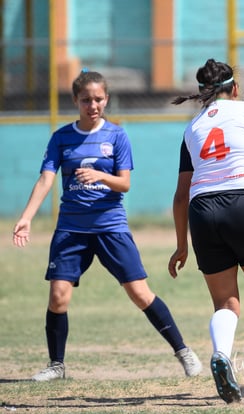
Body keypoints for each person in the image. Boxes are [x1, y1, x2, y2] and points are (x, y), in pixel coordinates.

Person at [12, 69, 202, 382]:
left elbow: (125, 184)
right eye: (86, 99)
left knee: (140, 294)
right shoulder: (61, 137)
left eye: (98, 99)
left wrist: (101, 176)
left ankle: (183, 351)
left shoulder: (116, 135)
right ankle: (56, 365)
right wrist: (26, 217)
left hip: (110, 226)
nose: (93, 105)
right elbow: (46, 178)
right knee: (58, 296)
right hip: (71, 228)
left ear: (107, 99)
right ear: (75, 100)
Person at [167, 59, 244, 404]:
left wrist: (182, 246)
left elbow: (180, 196)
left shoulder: (191, 128)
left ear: (204, 93)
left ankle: (222, 353)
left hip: (202, 211)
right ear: (234, 88)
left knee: (226, 302)